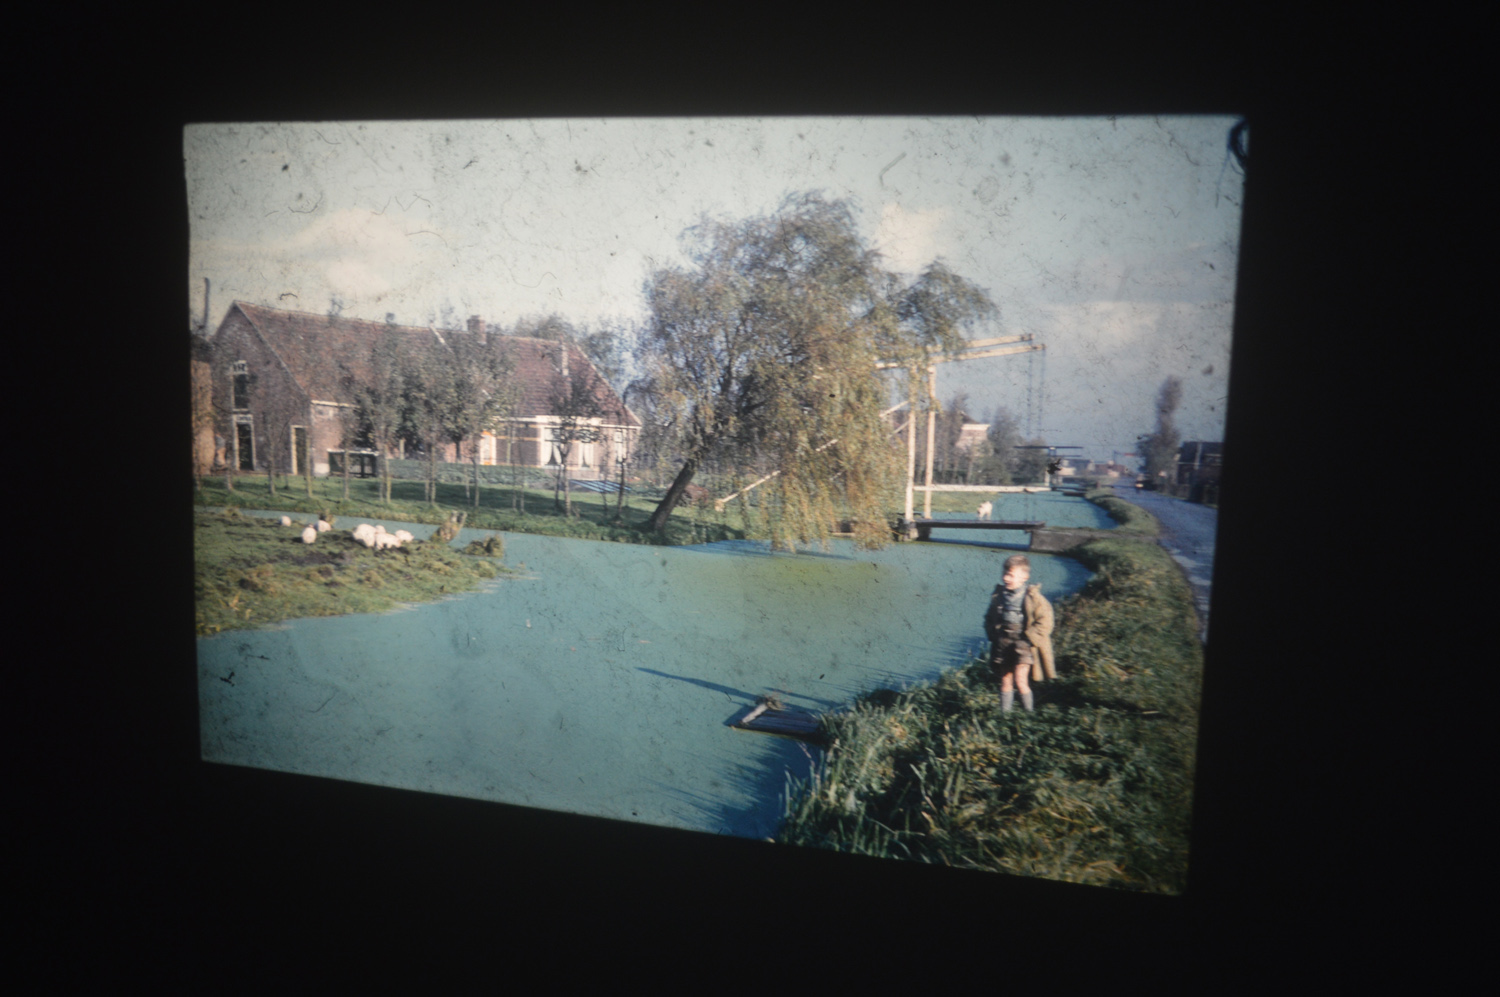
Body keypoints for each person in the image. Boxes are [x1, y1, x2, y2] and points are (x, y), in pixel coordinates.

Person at [982, 554, 1055, 711]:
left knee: (1021, 680)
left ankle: (1028, 715)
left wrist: (1030, 638)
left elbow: (1046, 620)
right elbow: (989, 617)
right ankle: (1005, 716)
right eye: (1004, 574)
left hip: (1023, 644)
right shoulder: (999, 596)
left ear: (1024, 577)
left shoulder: (1033, 597)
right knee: (1005, 680)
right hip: (1003, 643)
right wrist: (993, 634)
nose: (1005, 578)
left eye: (1010, 575)